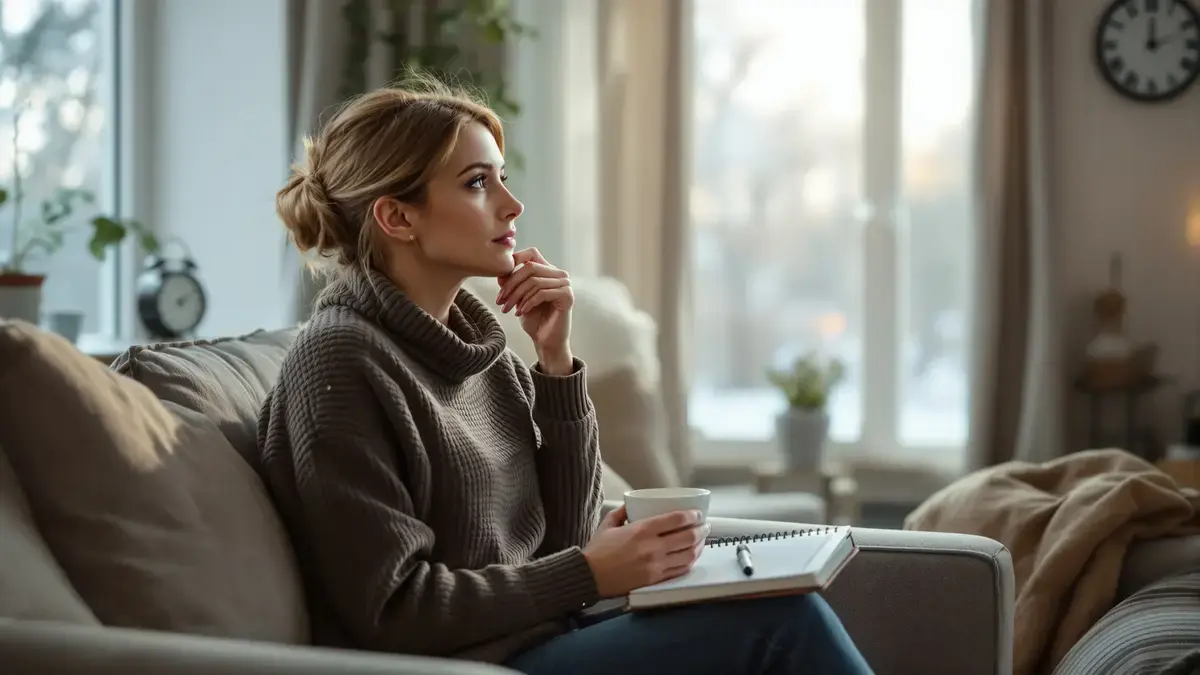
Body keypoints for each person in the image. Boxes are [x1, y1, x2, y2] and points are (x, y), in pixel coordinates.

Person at [258, 77, 874, 675]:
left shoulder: (482, 354)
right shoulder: (339, 361)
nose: (512, 204)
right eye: (477, 183)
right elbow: (393, 610)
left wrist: (556, 362)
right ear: (398, 217)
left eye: (502, 177)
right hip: (471, 666)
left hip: (550, 639)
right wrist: (590, 573)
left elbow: (567, 539)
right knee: (784, 624)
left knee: (779, 601)